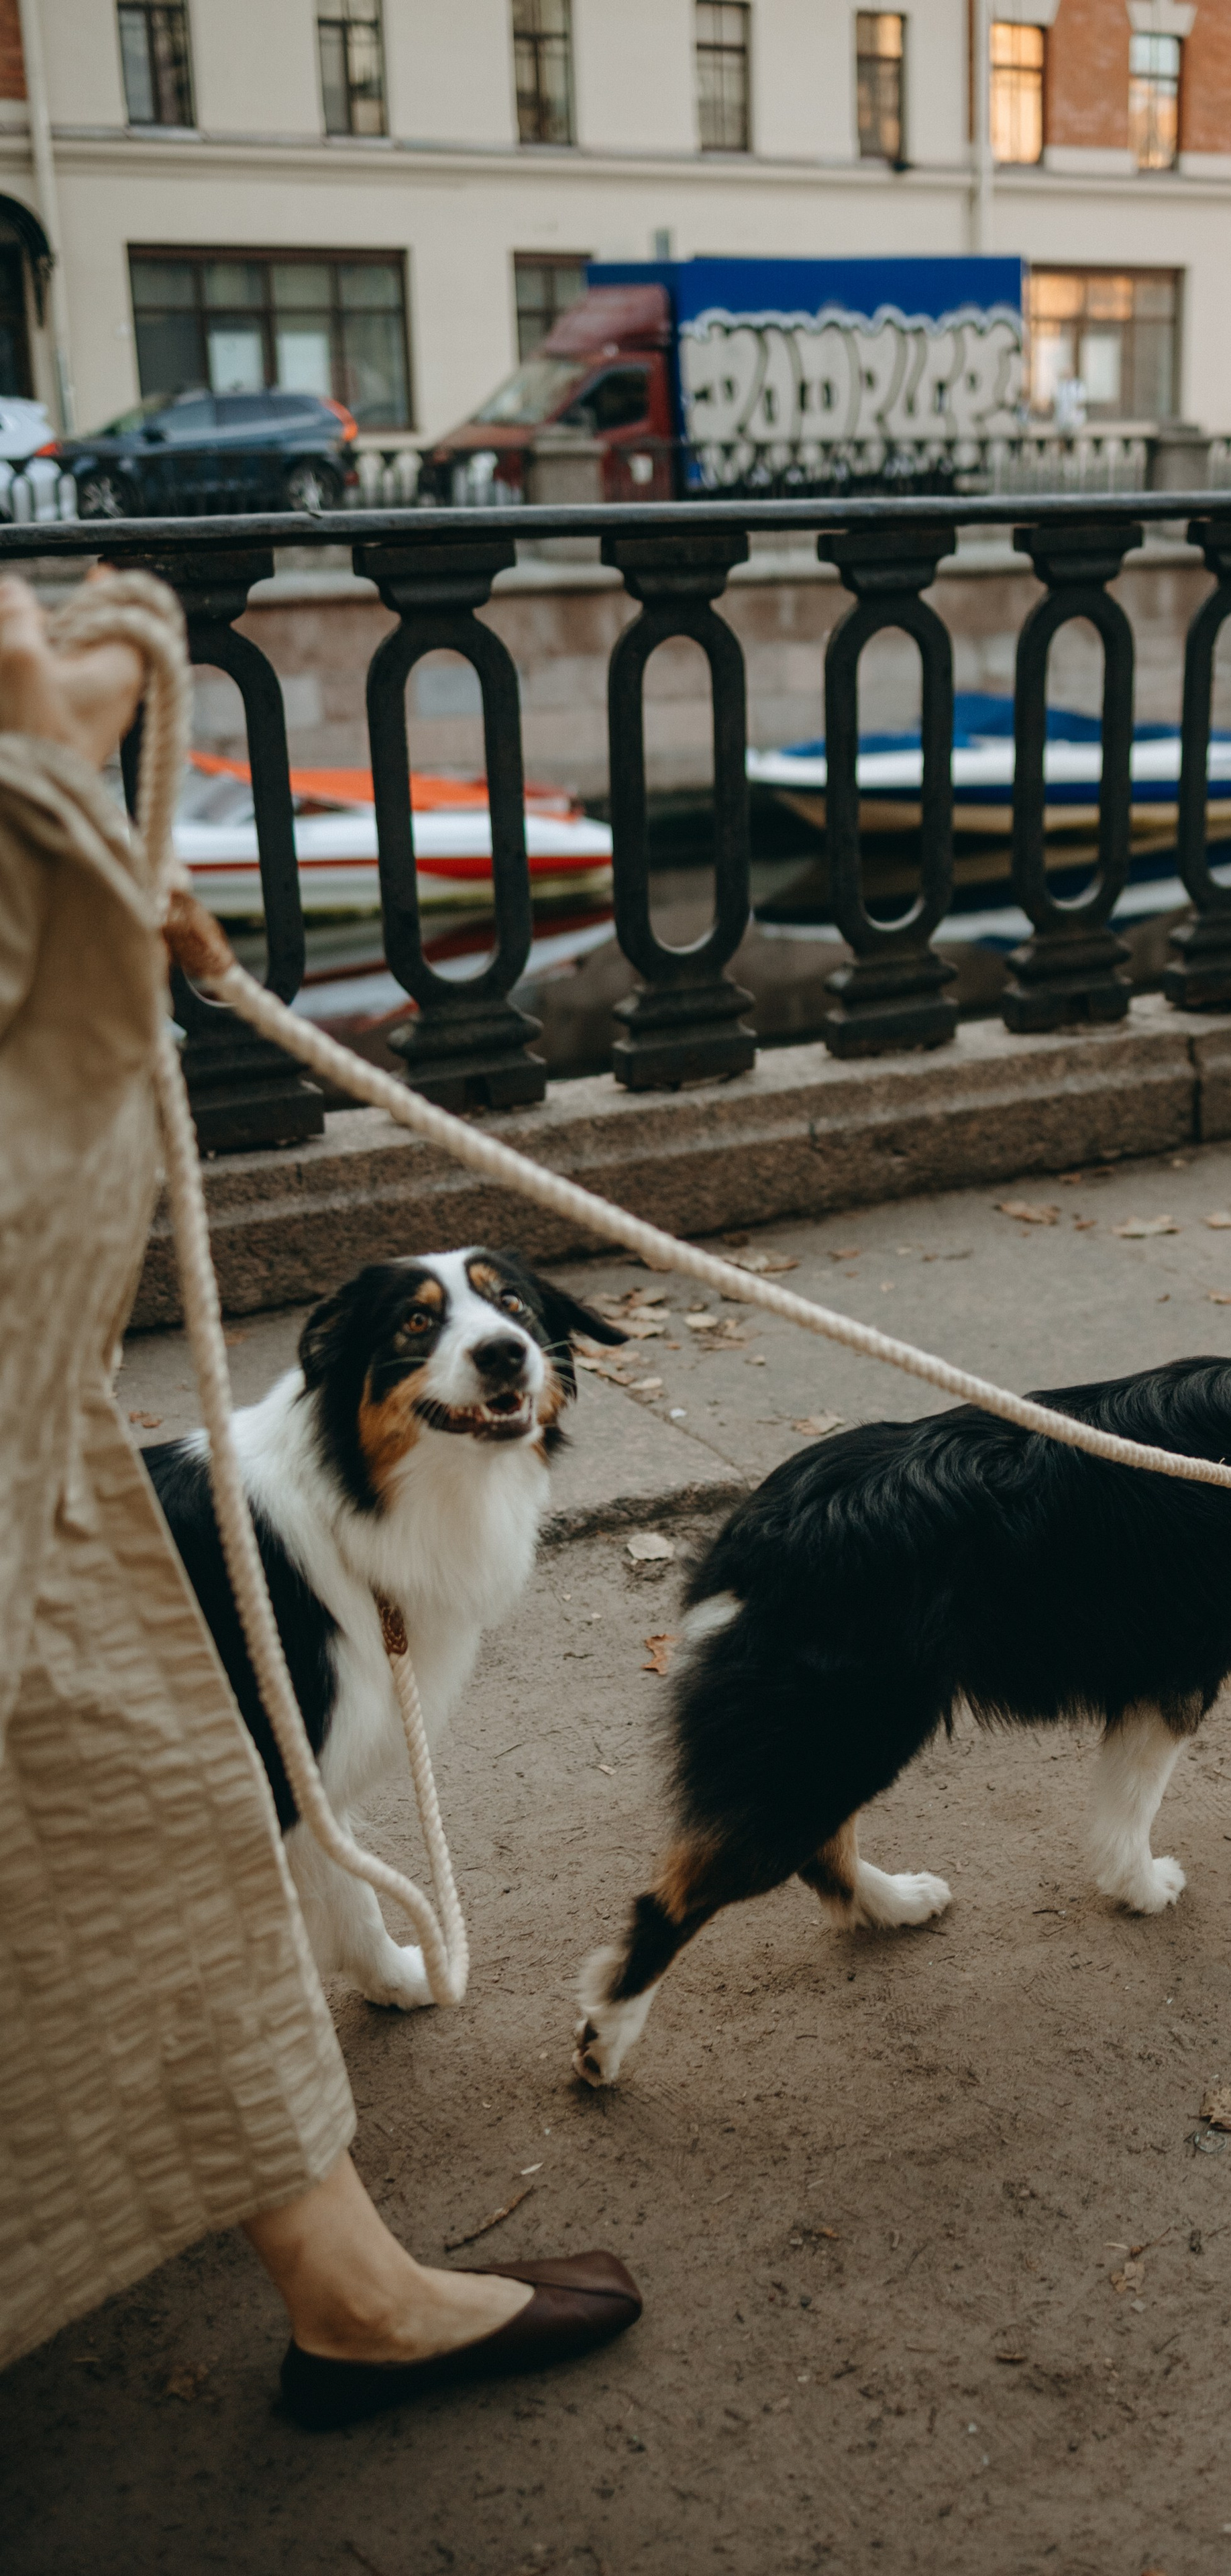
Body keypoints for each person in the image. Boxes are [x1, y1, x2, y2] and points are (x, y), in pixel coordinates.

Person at [0, 570, 638, 2430]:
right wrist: (81, 726)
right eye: (438, 1343)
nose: (494, 1361)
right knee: (181, 1818)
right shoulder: (281, 1531)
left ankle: (342, 2279)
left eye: (512, 1338)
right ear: (355, 1383)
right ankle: (341, 2285)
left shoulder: (413, 1542)